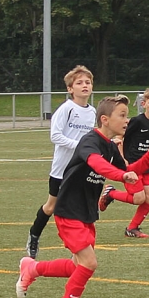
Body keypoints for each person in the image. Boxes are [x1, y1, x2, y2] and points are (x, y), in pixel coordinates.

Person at [16, 94, 149, 298]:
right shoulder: (90, 141)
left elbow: (130, 169)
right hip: (68, 210)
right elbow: (97, 164)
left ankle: (32, 268)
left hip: (86, 213)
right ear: (105, 119)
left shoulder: (111, 147)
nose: (127, 120)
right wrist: (121, 175)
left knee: (77, 266)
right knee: (89, 263)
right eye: (122, 115)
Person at [25, 66, 96, 259]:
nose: (84, 86)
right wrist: (79, 146)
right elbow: (55, 136)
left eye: (88, 82)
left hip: (81, 170)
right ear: (70, 89)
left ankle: (79, 248)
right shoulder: (66, 109)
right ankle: (34, 236)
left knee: (78, 207)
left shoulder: (92, 112)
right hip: (61, 170)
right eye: (79, 83)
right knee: (51, 207)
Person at [98, 88, 149, 238]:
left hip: (147, 165)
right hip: (132, 166)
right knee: (138, 198)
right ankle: (111, 193)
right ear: (144, 104)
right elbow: (120, 136)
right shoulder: (137, 121)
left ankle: (132, 228)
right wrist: (122, 158)